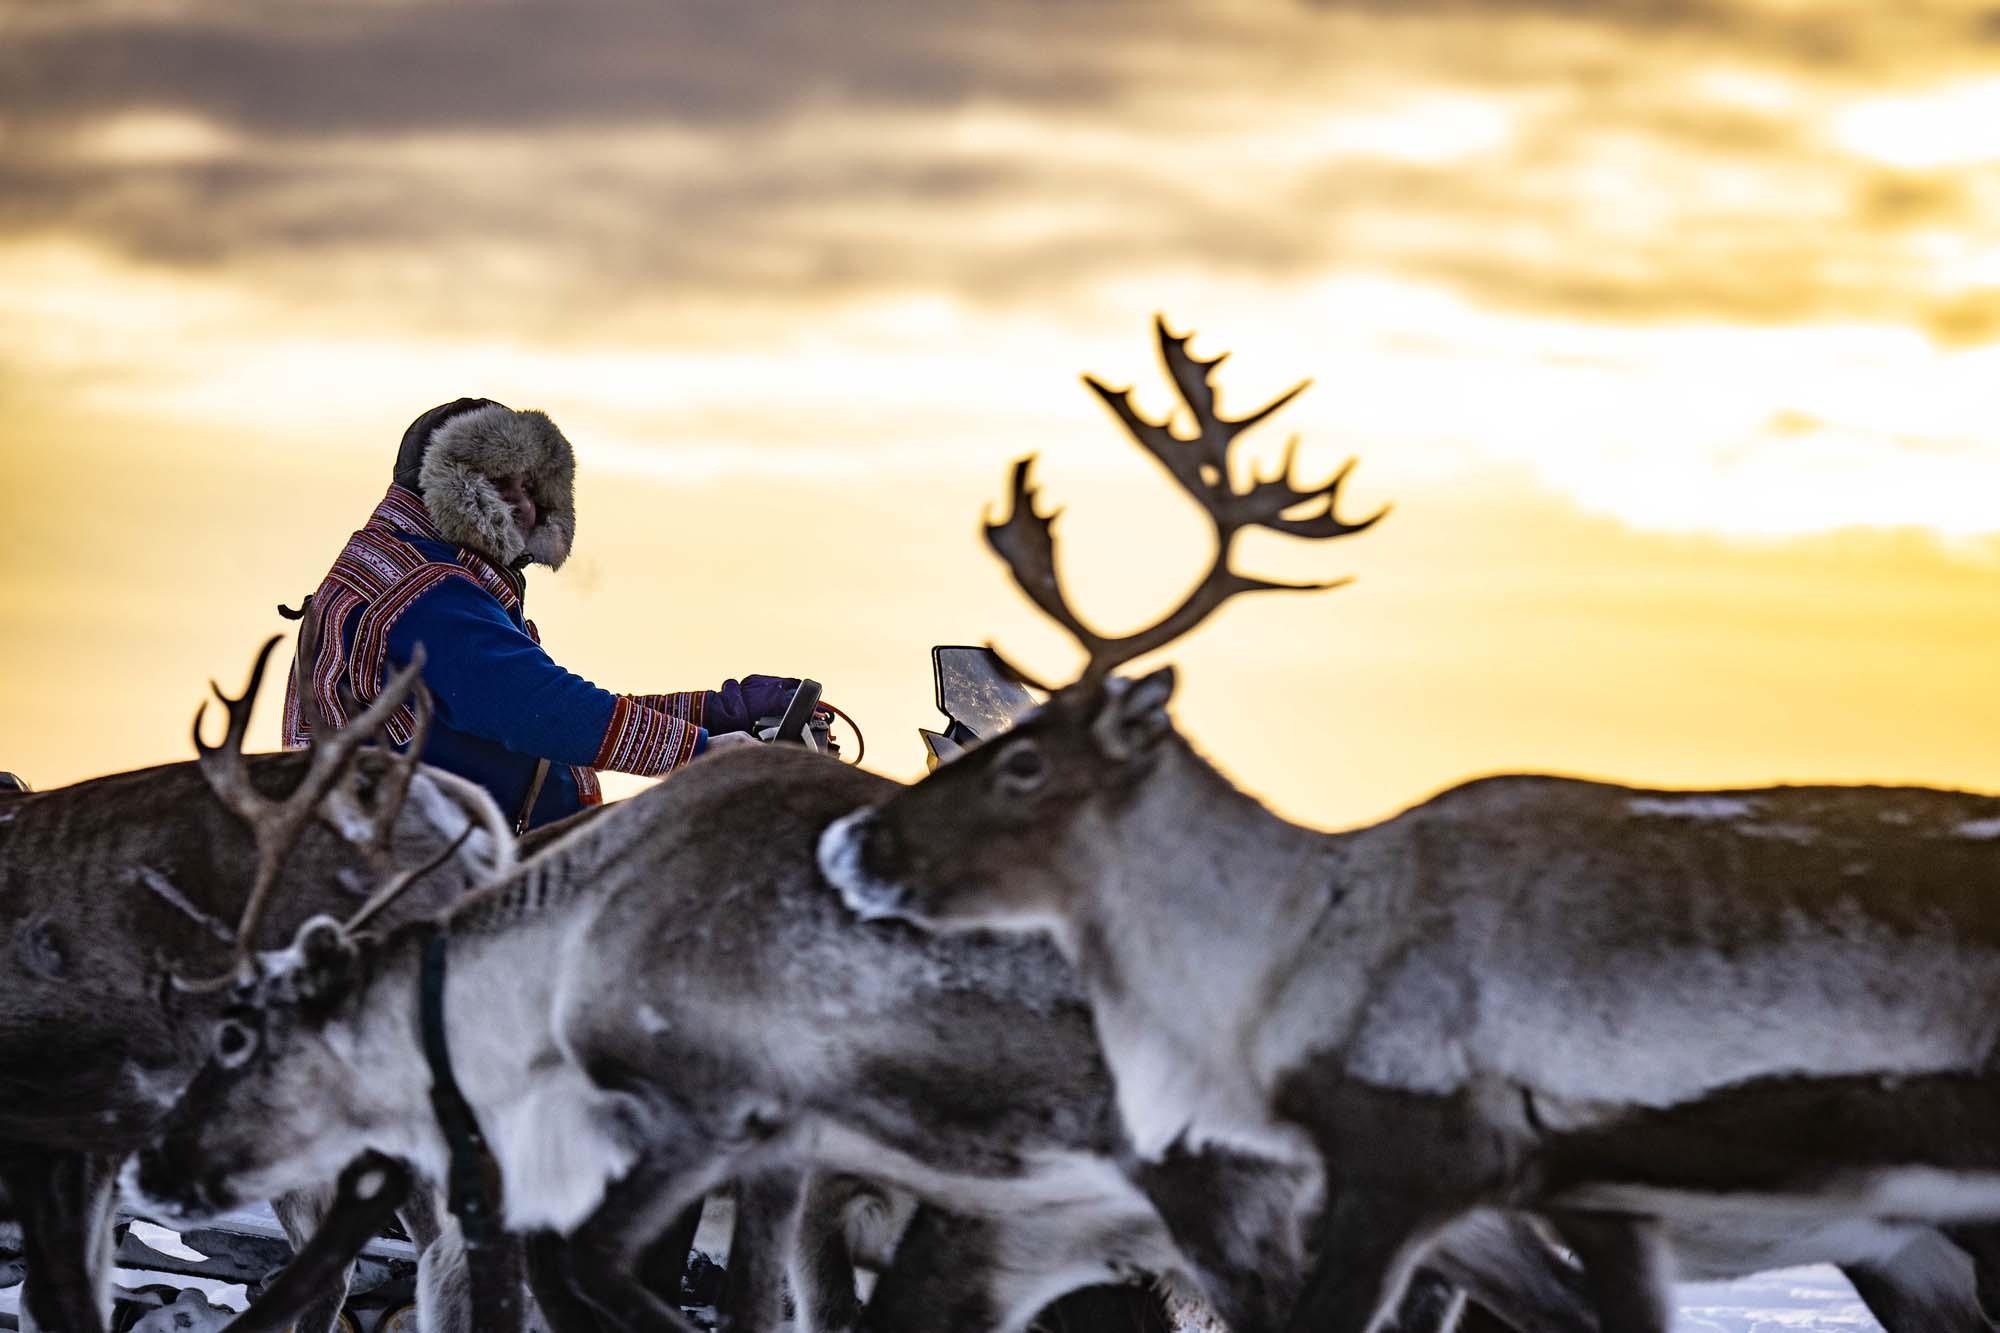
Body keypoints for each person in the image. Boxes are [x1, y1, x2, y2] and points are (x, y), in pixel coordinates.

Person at [284, 397, 800, 833]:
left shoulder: (411, 573)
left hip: (445, 863)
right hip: (432, 889)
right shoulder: (424, 592)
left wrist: (716, 710)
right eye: (500, 484)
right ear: (447, 486)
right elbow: (538, 709)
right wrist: (704, 754)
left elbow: (530, 714)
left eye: (531, 488)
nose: (524, 506)